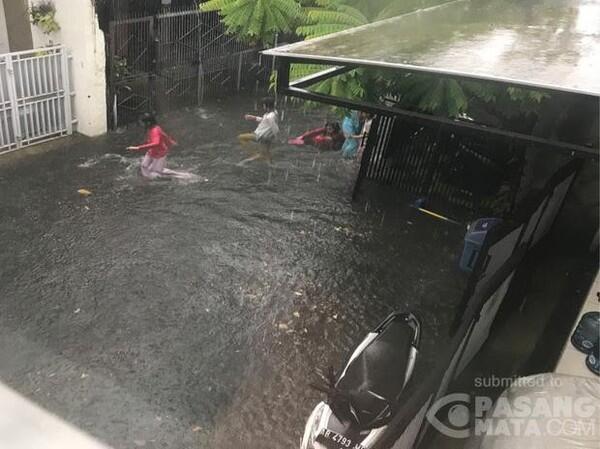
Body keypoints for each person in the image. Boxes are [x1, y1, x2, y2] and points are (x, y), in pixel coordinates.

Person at [127, 113, 189, 179]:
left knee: (157, 172)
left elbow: (156, 143)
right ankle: (148, 178)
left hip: (160, 153)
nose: (140, 124)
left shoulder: (155, 130)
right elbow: (163, 135)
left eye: (142, 122)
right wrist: (170, 142)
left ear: (148, 122)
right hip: (152, 151)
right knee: (144, 166)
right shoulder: (154, 128)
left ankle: (182, 176)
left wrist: (138, 148)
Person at [238, 97, 280, 164]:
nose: (263, 106)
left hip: (260, 135)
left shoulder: (270, 117)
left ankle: (253, 154)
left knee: (241, 137)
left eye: (263, 105)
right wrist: (254, 118)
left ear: (266, 106)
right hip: (267, 137)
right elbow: (266, 121)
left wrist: (277, 138)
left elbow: (275, 128)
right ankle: (271, 165)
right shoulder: (274, 112)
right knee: (266, 153)